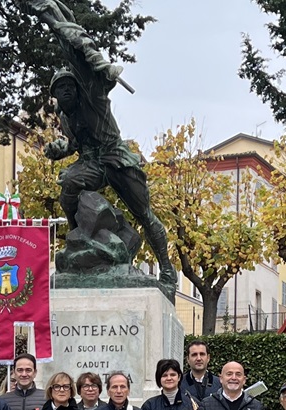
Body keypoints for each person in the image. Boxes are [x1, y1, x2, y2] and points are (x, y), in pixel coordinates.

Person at [27, 0, 177, 293]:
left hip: (116, 157)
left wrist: (53, 20)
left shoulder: (93, 97)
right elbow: (73, 144)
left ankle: (167, 269)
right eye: (61, 89)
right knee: (69, 184)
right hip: (92, 163)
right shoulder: (64, 116)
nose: (67, 90)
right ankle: (78, 236)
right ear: (55, 95)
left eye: (71, 85)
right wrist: (59, 148)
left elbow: (76, 51)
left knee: (144, 214)